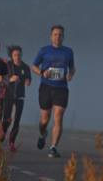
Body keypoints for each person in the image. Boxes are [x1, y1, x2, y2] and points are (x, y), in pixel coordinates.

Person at [31, 25, 76, 158]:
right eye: (55, 34)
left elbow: (72, 68)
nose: (58, 37)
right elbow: (33, 66)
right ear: (51, 36)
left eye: (60, 35)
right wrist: (41, 72)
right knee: (44, 120)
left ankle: (53, 147)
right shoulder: (44, 50)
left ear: (63, 37)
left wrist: (70, 75)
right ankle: (42, 134)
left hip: (61, 88)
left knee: (58, 117)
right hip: (46, 87)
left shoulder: (68, 51)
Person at [2, 45, 31, 152]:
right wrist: (10, 79)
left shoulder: (25, 67)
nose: (17, 57)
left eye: (19, 55)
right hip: (8, 95)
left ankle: (12, 142)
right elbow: (2, 79)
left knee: (16, 120)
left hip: (20, 96)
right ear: (11, 56)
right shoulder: (7, 65)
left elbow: (28, 79)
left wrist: (27, 81)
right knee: (7, 118)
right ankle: (3, 131)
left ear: (21, 55)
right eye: (15, 55)